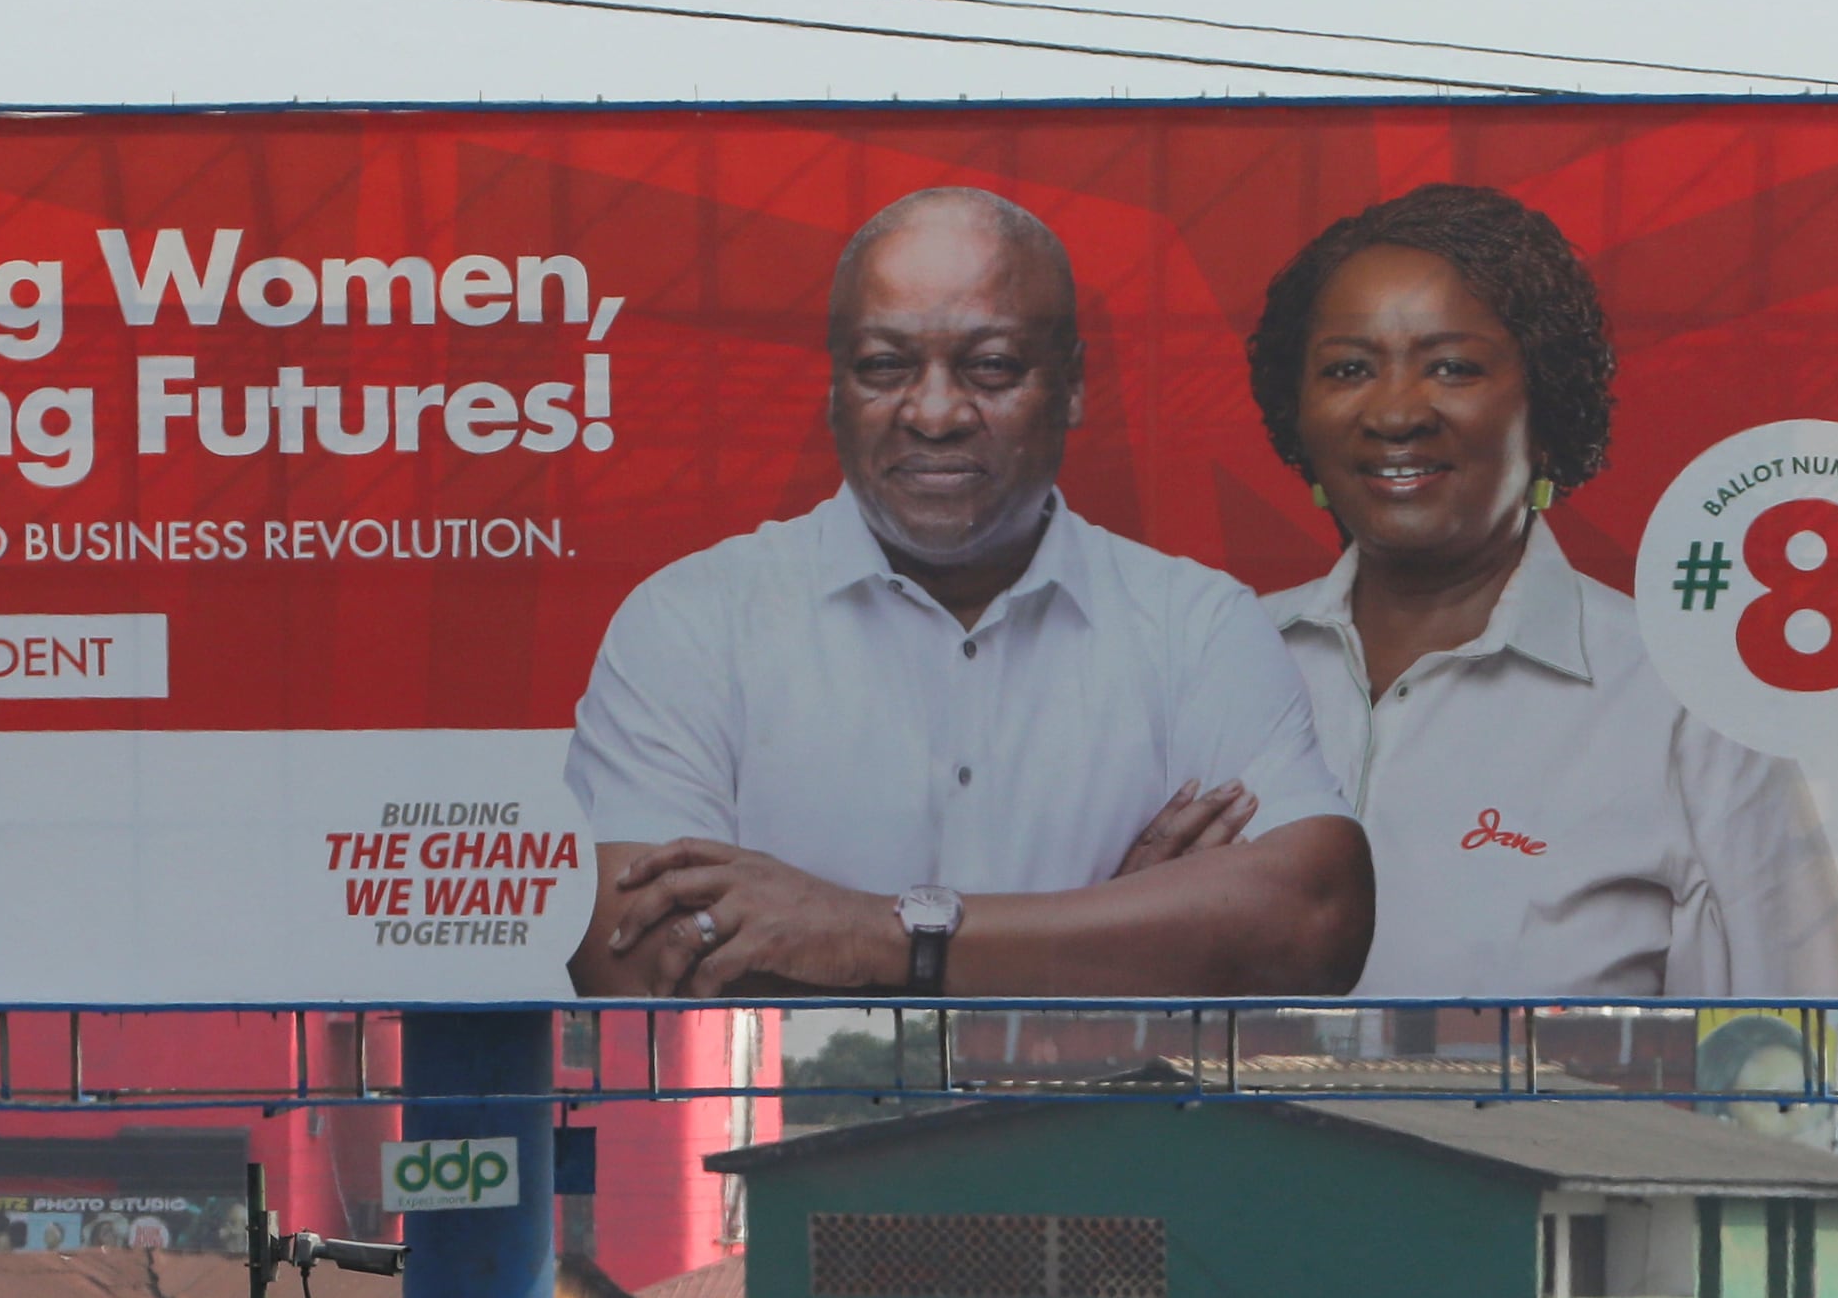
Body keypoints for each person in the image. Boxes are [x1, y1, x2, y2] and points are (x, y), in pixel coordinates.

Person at [566, 184, 1371, 1000]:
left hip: (1109, 1130)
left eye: (991, 366)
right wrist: (1110, 930)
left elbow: (1315, 920)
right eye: (886, 366)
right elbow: (631, 966)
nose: (937, 412)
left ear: (1075, 384)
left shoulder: (1194, 625)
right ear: (834, 389)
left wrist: (863, 933)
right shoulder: (691, 622)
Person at [1238, 182, 1838, 1000]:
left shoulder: (1686, 703)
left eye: (1452, 367)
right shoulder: (1218, 659)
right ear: (1299, 412)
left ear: (1547, 408)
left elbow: (1800, 1059)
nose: (1394, 413)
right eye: (1349, 369)